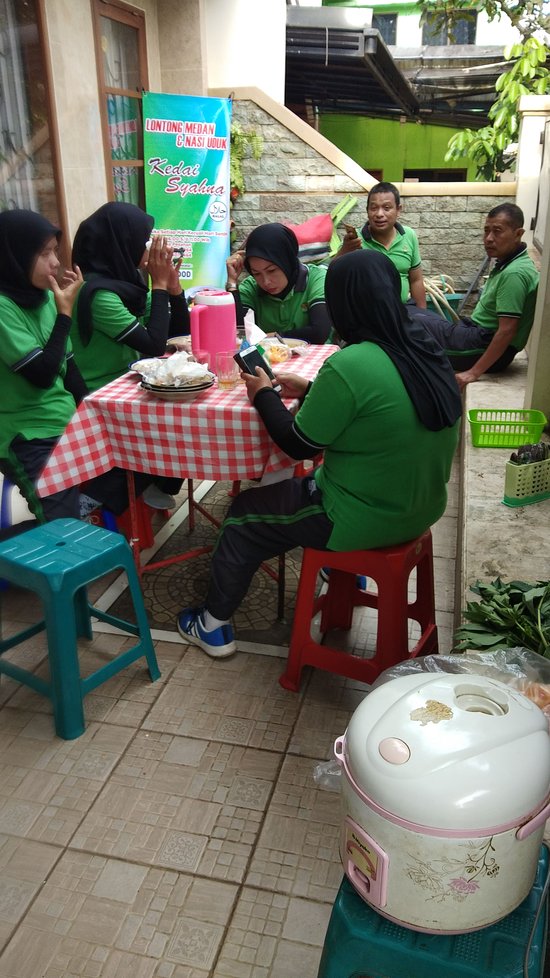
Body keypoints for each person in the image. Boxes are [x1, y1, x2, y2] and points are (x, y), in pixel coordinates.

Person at [176, 249, 462, 658]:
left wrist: (262, 396)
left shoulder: (351, 364)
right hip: (422, 506)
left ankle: (212, 625)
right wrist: (310, 390)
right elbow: (384, 409)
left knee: (242, 515)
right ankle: (346, 571)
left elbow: (297, 444)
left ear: (344, 303)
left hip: (362, 515)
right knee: (294, 492)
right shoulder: (422, 346)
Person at [0, 209, 140, 525]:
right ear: (14, 256)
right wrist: (65, 314)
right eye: (44, 253)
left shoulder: (43, 297)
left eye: (55, 251)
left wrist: (94, 416)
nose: (55, 263)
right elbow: (42, 375)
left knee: (142, 450)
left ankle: (80, 518)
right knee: (59, 524)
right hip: (27, 433)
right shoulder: (4, 308)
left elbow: (69, 366)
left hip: (65, 422)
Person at [70, 201, 190, 508]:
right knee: (165, 432)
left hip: (127, 383)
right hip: (97, 393)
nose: (149, 246)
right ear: (122, 243)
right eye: (144, 239)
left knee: (185, 418)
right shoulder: (97, 294)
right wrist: (160, 285)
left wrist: (173, 290)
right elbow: (153, 343)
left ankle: (152, 484)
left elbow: (175, 332)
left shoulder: (129, 285)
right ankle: (94, 501)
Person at [410, 203, 539, 392]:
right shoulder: (510, 263)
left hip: (482, 345)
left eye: (497, 231)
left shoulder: (515, 274)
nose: (489, 238)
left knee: (406, 320)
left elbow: (507, 331)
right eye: (486, 231)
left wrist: (473, 373)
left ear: (518, 234)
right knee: (410, 309)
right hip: (475, 334)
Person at [225, 222, 332, 343]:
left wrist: (273, 336)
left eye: (271, 270)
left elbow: (320, 332)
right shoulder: (251, 287)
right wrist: (232, 284)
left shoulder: (316, 278)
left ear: (287, 261)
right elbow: (239, 334)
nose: (266, 282)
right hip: (269, 360)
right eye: (256, 273)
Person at [337, 182, 427, 308]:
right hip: (366, 315)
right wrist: (344, 252)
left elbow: (416, 280)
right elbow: (332, 277)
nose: (379, 214)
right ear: (367, 211)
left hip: (403, 311)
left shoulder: (409, 235)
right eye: (373, 208)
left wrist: (422, 315)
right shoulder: (354, 241)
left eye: (386, 208)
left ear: (398, 210)